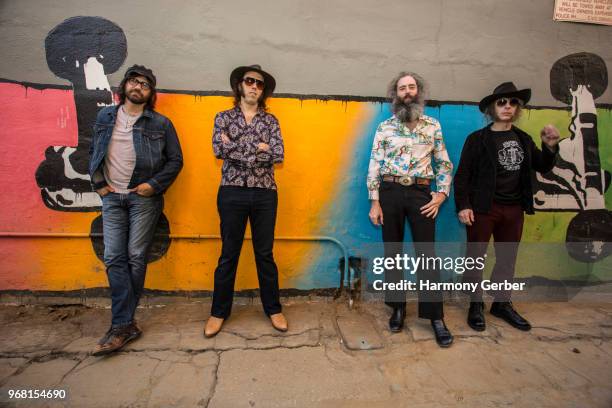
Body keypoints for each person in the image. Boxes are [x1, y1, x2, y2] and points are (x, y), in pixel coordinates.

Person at [89, 65, 184, 355]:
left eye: (145, 84)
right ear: (125, 86)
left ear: (151, 93)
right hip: (112, 197)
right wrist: (99, 184)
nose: (138, 87)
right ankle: (124, 323)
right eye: (134, 81)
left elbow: (175, 161)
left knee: (135, 256)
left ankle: (121, 325)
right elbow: (94, 150)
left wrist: (153, 185)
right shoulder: (105, 117)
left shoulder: (161, 124)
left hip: (143, 199)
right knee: (113, 257)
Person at [454, 82, 560, 332]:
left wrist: (550, 146)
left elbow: (542, 166)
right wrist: (463, 205)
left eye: (513, 103)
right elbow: (462, 176)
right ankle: (476, 303)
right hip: (483, 208)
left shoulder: (523, 139)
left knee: (507, 258)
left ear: (518, 109)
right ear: (492, 107)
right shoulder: (478, 139)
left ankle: (501, 303)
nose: (508, 106)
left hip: (514, 209)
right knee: (475, 258)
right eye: (502, 102)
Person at [367, 71, 454, 347]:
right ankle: (398, 307)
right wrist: (375, 201)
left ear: (419, 91)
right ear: (396, 94)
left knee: (426, 253)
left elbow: (444, 163)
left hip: (420, 193)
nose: (407, 91)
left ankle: (435, 316)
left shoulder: (433, 126)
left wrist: (441, 194)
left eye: (411, 87)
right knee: (392, 251)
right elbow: (374, 164)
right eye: (402, 88)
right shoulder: (384, 127)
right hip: (390, 191)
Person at [204, 65, 287, 337]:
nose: (254, 86)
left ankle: (274, 309)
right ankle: (218, 312)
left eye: (259, 84)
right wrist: (259, 149)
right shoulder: (223, 117)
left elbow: (278, 155)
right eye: (249, 81)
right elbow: (219, 149)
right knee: (229, 253)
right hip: (232, 191)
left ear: (263, 91)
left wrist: (237, 147)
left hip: (265, 193)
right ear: (240, 85)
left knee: (265, 254)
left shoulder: (271, 121)